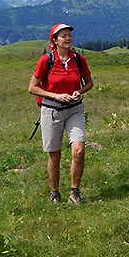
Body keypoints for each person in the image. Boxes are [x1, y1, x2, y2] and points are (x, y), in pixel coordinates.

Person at [28, 23, 94, 205]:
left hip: (75, 110)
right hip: (51, 111)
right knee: (54, 155)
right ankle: (55, 193)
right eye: (63, 35)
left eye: (69, 35)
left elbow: (89, 82)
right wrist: (55, 95)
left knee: (79, 151)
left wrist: (79, 92)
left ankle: (74, 192)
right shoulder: (45, 60)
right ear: (54, 41)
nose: (68, 38)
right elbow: (32, 88)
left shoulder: (78, 59)